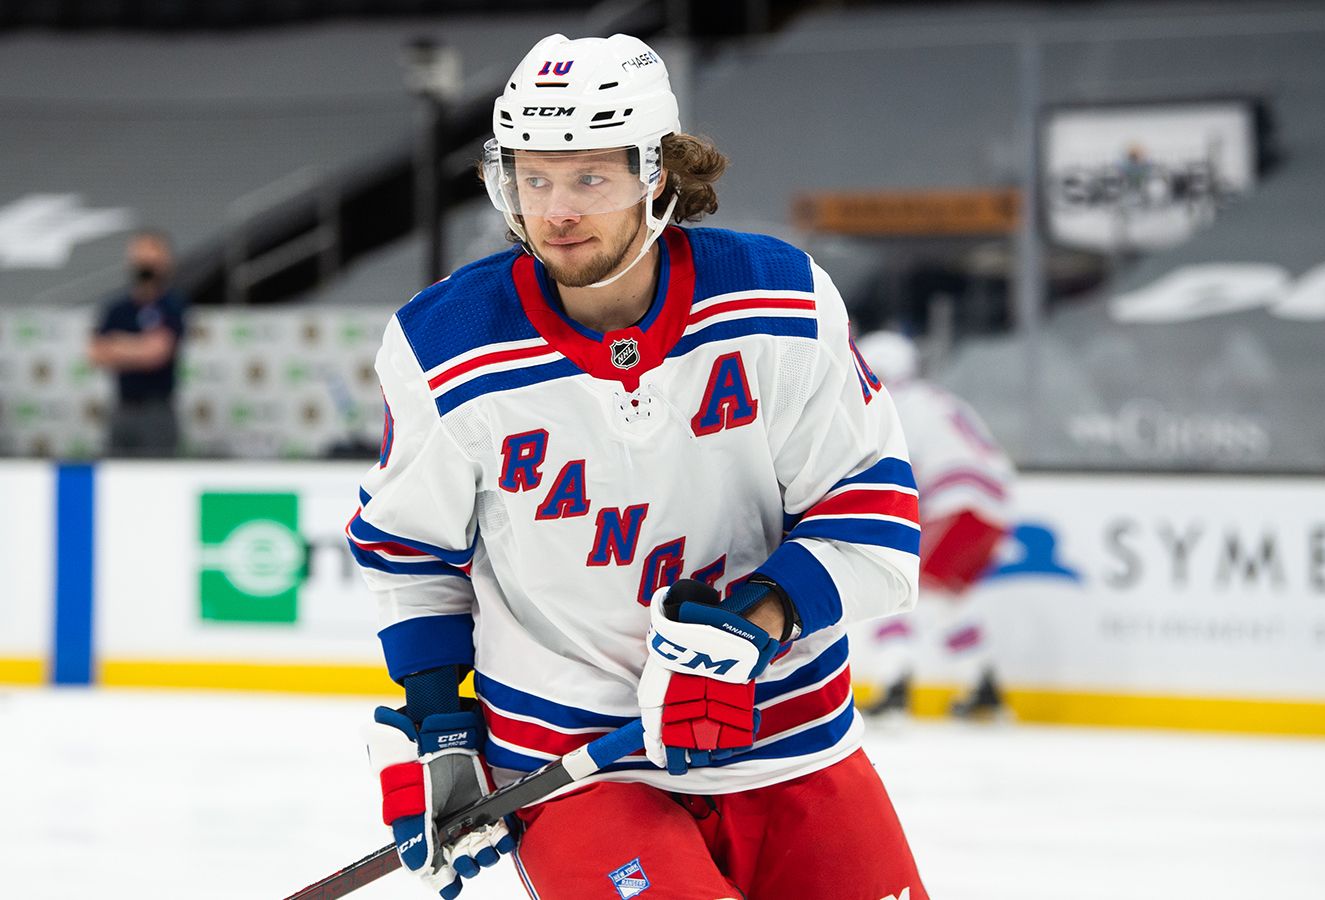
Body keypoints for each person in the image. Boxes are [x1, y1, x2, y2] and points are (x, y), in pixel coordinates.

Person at [347, 33, 928, 900]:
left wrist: (751, 626)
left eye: (591, 178)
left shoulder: (779, 299)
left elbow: (873, 514)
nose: (556, 211)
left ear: (658, 175)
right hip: (578, 768)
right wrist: (439, 722)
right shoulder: (443, 343)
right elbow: (412, 552)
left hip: (790, 740)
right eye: (531, 178)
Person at [849, 329, 1015, 719]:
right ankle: (982, 685)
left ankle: (894, 686)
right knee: (945, 597)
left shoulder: (892, 403)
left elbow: (895, 472)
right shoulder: (938, 400)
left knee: (896, 581)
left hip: (959, 502)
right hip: (995, 509)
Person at [87, 229, 185, 457]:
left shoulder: (172, 306)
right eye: (139, 258)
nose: (144, 266)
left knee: (158, 479)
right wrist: (138, 346)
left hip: (157, 411)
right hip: (123, 408)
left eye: (151, 260)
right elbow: (96, 352)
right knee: (115, 479)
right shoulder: (118, 309)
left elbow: (157, 353)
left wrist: (119, 345)